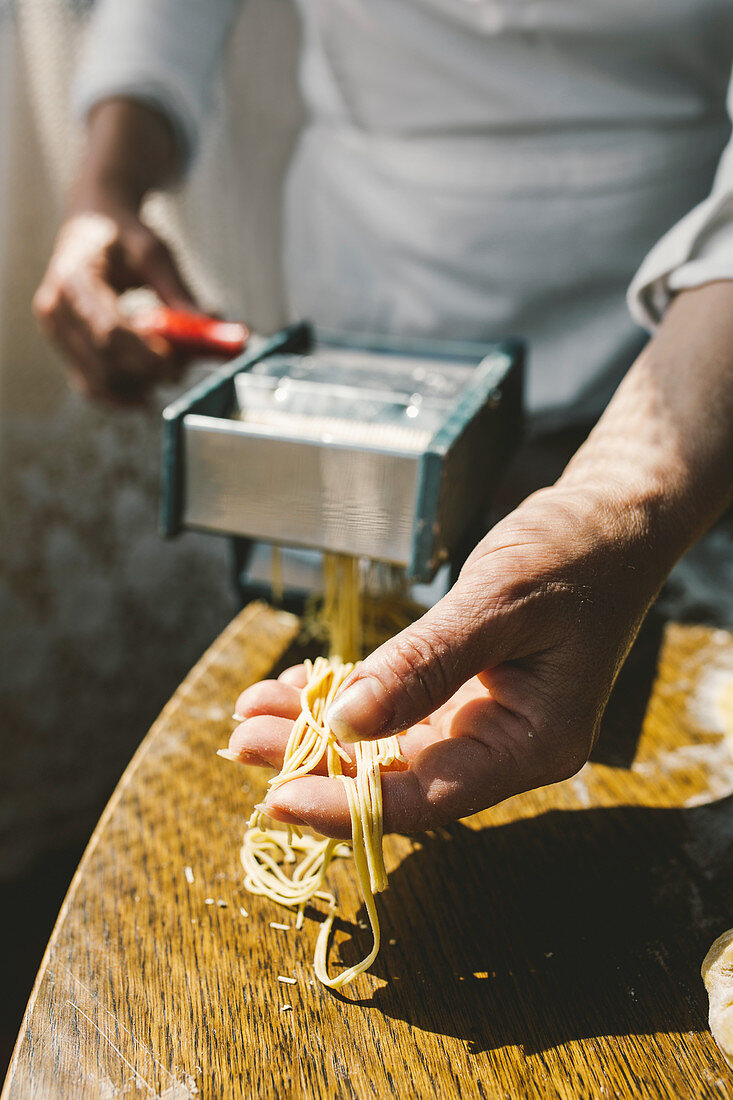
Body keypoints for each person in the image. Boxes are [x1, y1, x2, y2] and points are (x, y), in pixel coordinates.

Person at [35, 0, 733, 836]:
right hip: (367, 289)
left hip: (679, 341)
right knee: (343, 632)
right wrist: (103, 192)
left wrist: (626, 487)